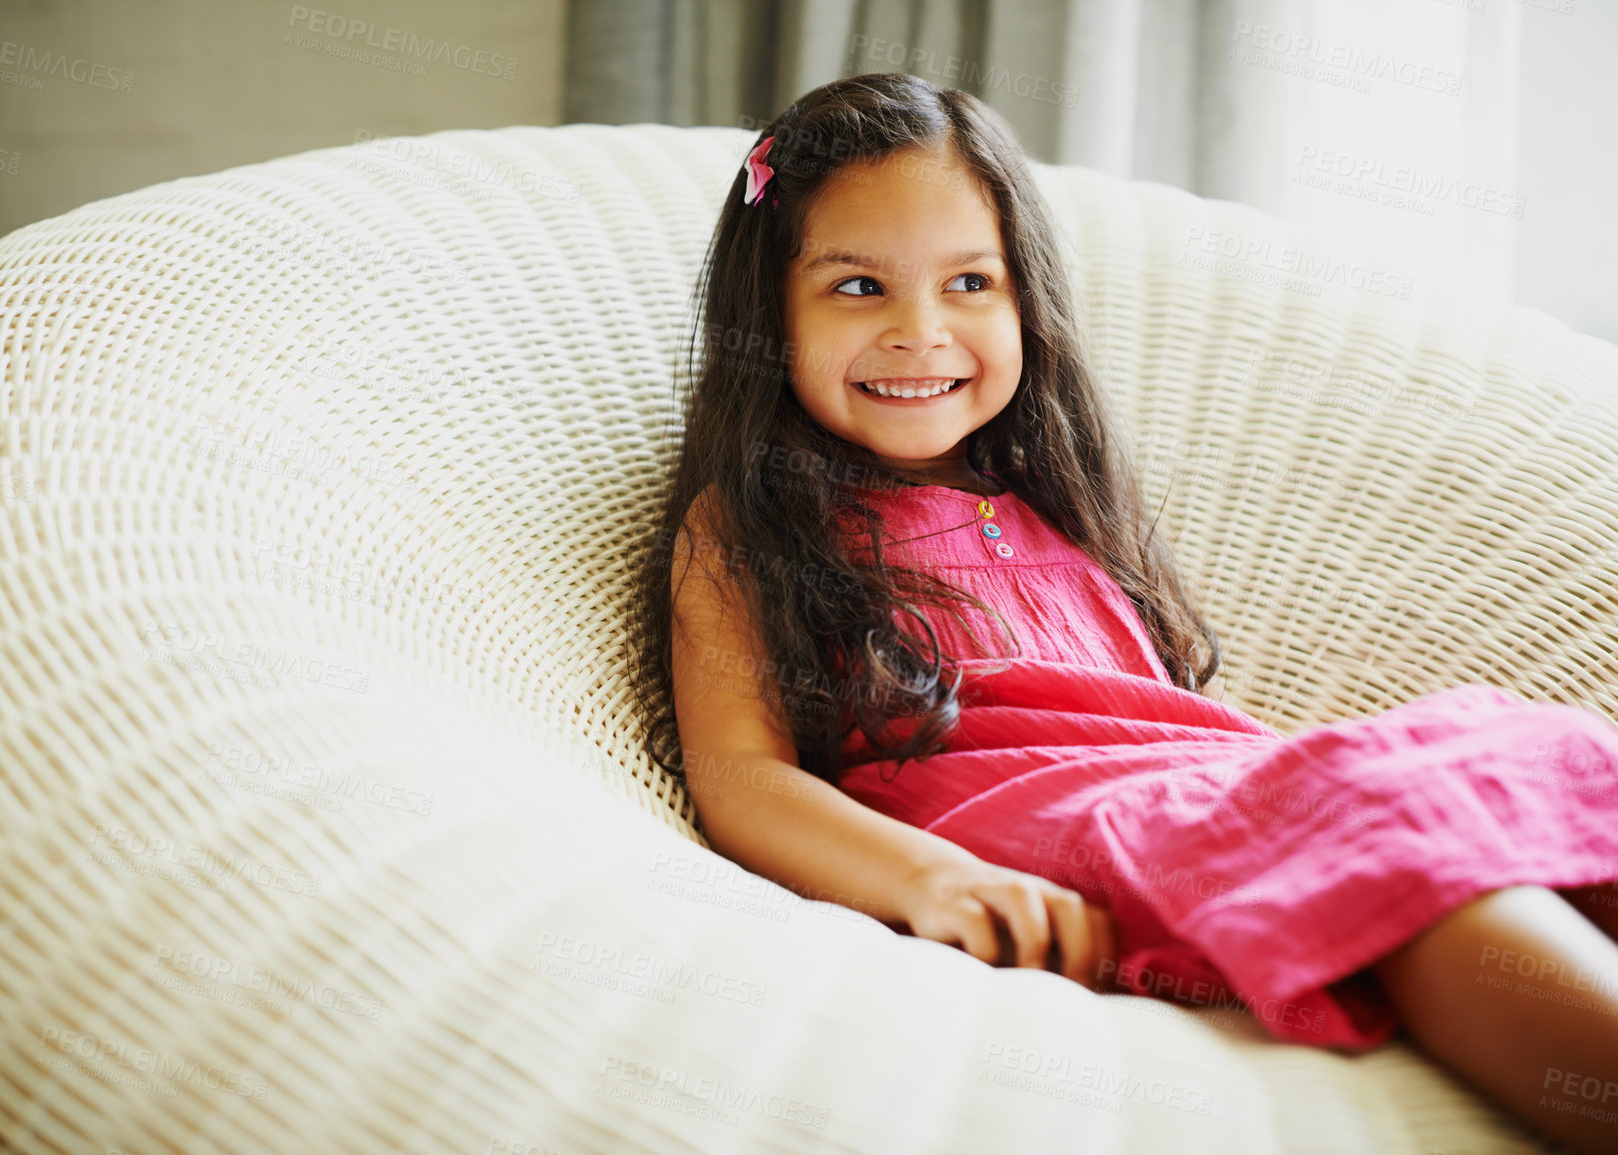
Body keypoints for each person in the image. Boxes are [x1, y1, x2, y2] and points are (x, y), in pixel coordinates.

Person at [625, 72, 1618, 1153]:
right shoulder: (752, 523)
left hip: (1205, 792)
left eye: (970, 282)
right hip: (1065, 834)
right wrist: (936, 879)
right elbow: (745, 779)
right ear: (767, 311)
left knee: (1530, 753)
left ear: (1025, 302)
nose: (920, 331)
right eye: (858, 288)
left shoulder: (1057, 506)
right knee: (1391, 833)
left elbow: (1160, 722)